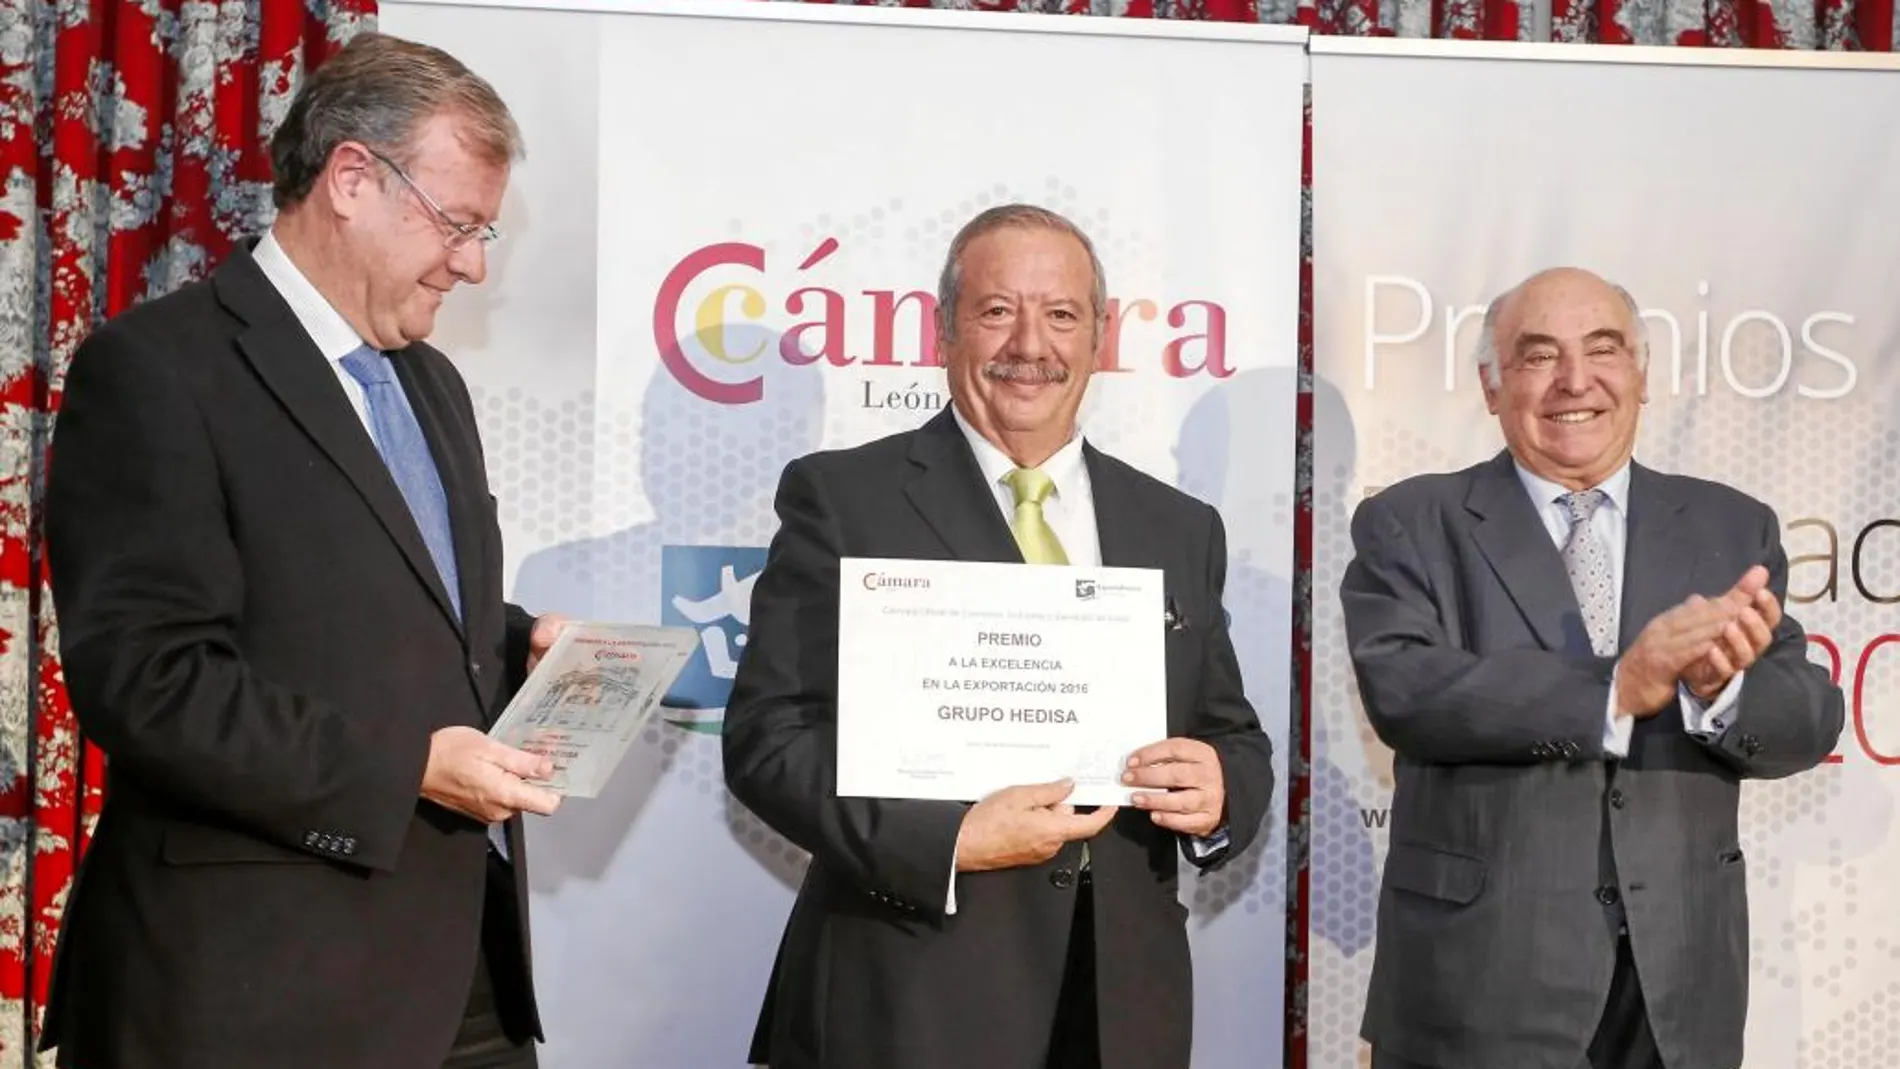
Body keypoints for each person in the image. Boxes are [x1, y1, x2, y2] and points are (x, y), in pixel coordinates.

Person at [41, 33, 567, 1069]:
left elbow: (375, 614)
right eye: (457, 224)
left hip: (463, 979)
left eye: (483, 231)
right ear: (352, 179)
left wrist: (520, 652)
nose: (471, 262)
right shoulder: (156, 371)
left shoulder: (429, 385)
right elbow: (149, 680)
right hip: (253, 992)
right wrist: (405, 767)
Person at [722, 203, 1276, 1069]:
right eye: (996, 311)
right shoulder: (844, 498)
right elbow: (768, 740)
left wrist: (1219, 792)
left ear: (1100, 335)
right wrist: (945, 842)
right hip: (909, 999)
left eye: (1060, 314)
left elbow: (1230, 734)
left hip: (1120, 1008)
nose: (1031, 345)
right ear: (944, 329)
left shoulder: (1177, 526)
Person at [1340, 266, 1844, 1069]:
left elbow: (1806, 716)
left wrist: (1721, 689)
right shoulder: (1411, 521)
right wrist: (1614, 690)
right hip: (1478, 986)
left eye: (1603, 349)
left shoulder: (1728, 525)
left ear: (1641, 375)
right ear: (1491, 385)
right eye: (1538, 356)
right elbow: (1405, 690)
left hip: (1678, 990)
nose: (1575, 381)